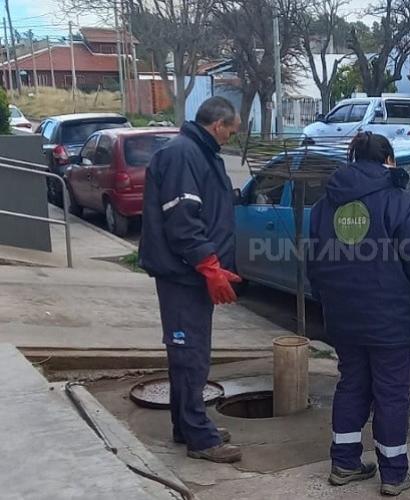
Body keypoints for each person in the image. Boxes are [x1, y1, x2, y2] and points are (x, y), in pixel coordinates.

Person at [307, 132, 410, 496]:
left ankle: (345, 463)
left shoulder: (325, 206)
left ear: (353, 159)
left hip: (343, 319)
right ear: (388, 160)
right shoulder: (400, 203)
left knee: (352, 384)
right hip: (391, 320)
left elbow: (315, 266)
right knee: (391, 393)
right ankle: (394, 474)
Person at [138, 96, 243, 463]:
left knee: (189, 354)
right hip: (183, 275)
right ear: (218, 125)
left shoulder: (196, 152)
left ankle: (187, 425)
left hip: (190, 274)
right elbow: (183, 220)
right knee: (190, 356)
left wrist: (213, 265)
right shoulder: (183, 154)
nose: (233, 136)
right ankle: (200, 438)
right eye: (232, 129)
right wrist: (209, 265)